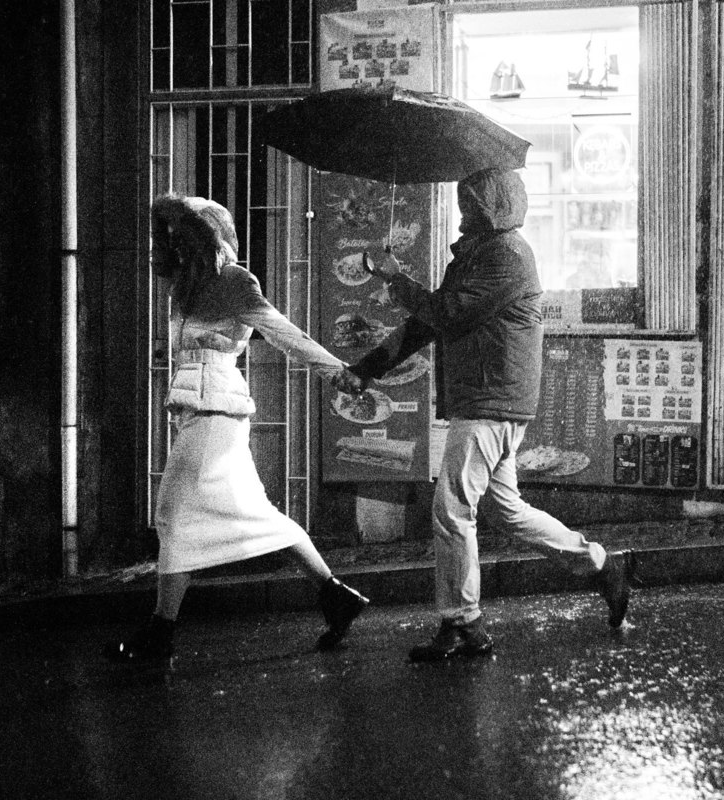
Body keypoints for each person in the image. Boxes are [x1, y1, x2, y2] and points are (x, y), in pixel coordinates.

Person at [339, 167, 630, 663]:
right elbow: (427, 322)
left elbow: (449, 313)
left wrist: (393, 275)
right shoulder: (474, 254)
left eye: (470, 201)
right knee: (504, 509)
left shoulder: (507, 254)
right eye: (462, 201)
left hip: (492, 399)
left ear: (491, 205)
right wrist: (368, 368)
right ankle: (600, 564)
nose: (462, 210)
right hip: (486, 399)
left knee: (451, 506)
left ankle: (462, 622)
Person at [104, 194, 369, 662]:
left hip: (216, 414)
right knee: (257, 514)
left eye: (180, 235)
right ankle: (336, 596)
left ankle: (160, 637)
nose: (170, 244)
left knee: (173, 514)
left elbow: (285, 333)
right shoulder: (186, 285)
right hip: (200, 413)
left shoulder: (234, 281)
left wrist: (337, 371)